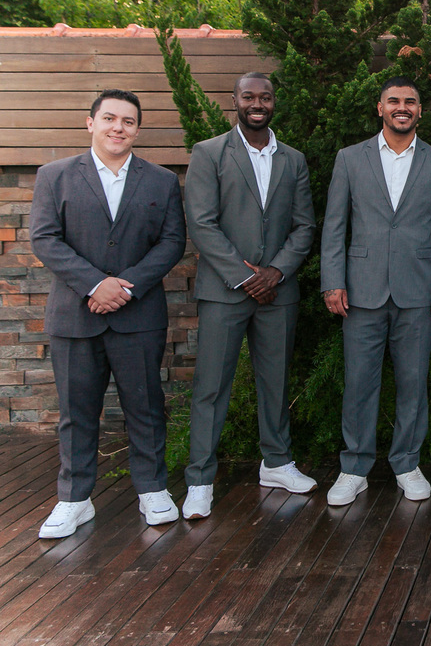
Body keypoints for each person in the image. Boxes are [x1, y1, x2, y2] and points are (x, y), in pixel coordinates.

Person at [30, 89, 186, 538]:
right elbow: (45, 238)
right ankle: (74, 500)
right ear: (91, 123)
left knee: (146, 407)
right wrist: (96, 284)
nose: (119, 127)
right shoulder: (54, 176)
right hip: (75, 316)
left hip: (138, 317)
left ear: (137, 130)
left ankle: (152, 490)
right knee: (76, 412)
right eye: (110, 118)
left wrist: (125, 286)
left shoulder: (161, 181)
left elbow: (172, 242)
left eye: (128, 121)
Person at [183, 73, 317, 519]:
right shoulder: (209, 153)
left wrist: (275, 272)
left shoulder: (293, 159)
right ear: (235, 101)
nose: (257, 103)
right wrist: (245, 277)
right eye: (248, 96)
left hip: (278, 291)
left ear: (274, 102)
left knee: (275, 383)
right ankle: (200, 479)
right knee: (211, 387)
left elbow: (304, 226)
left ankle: (276, 463)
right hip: (225, 291)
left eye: (265, 97)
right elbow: (201, 223)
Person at [321, 76, 431, 506]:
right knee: (359, 383)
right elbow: (334, 226)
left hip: (418, 291)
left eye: (410, 101)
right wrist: (332, 280)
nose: (402, 107)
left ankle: (406, 463)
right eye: (394, 100)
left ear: (420, 111)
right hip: (361, 291)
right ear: (379, 108)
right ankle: (354, 468)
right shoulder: (350, 158)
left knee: (413, 383)